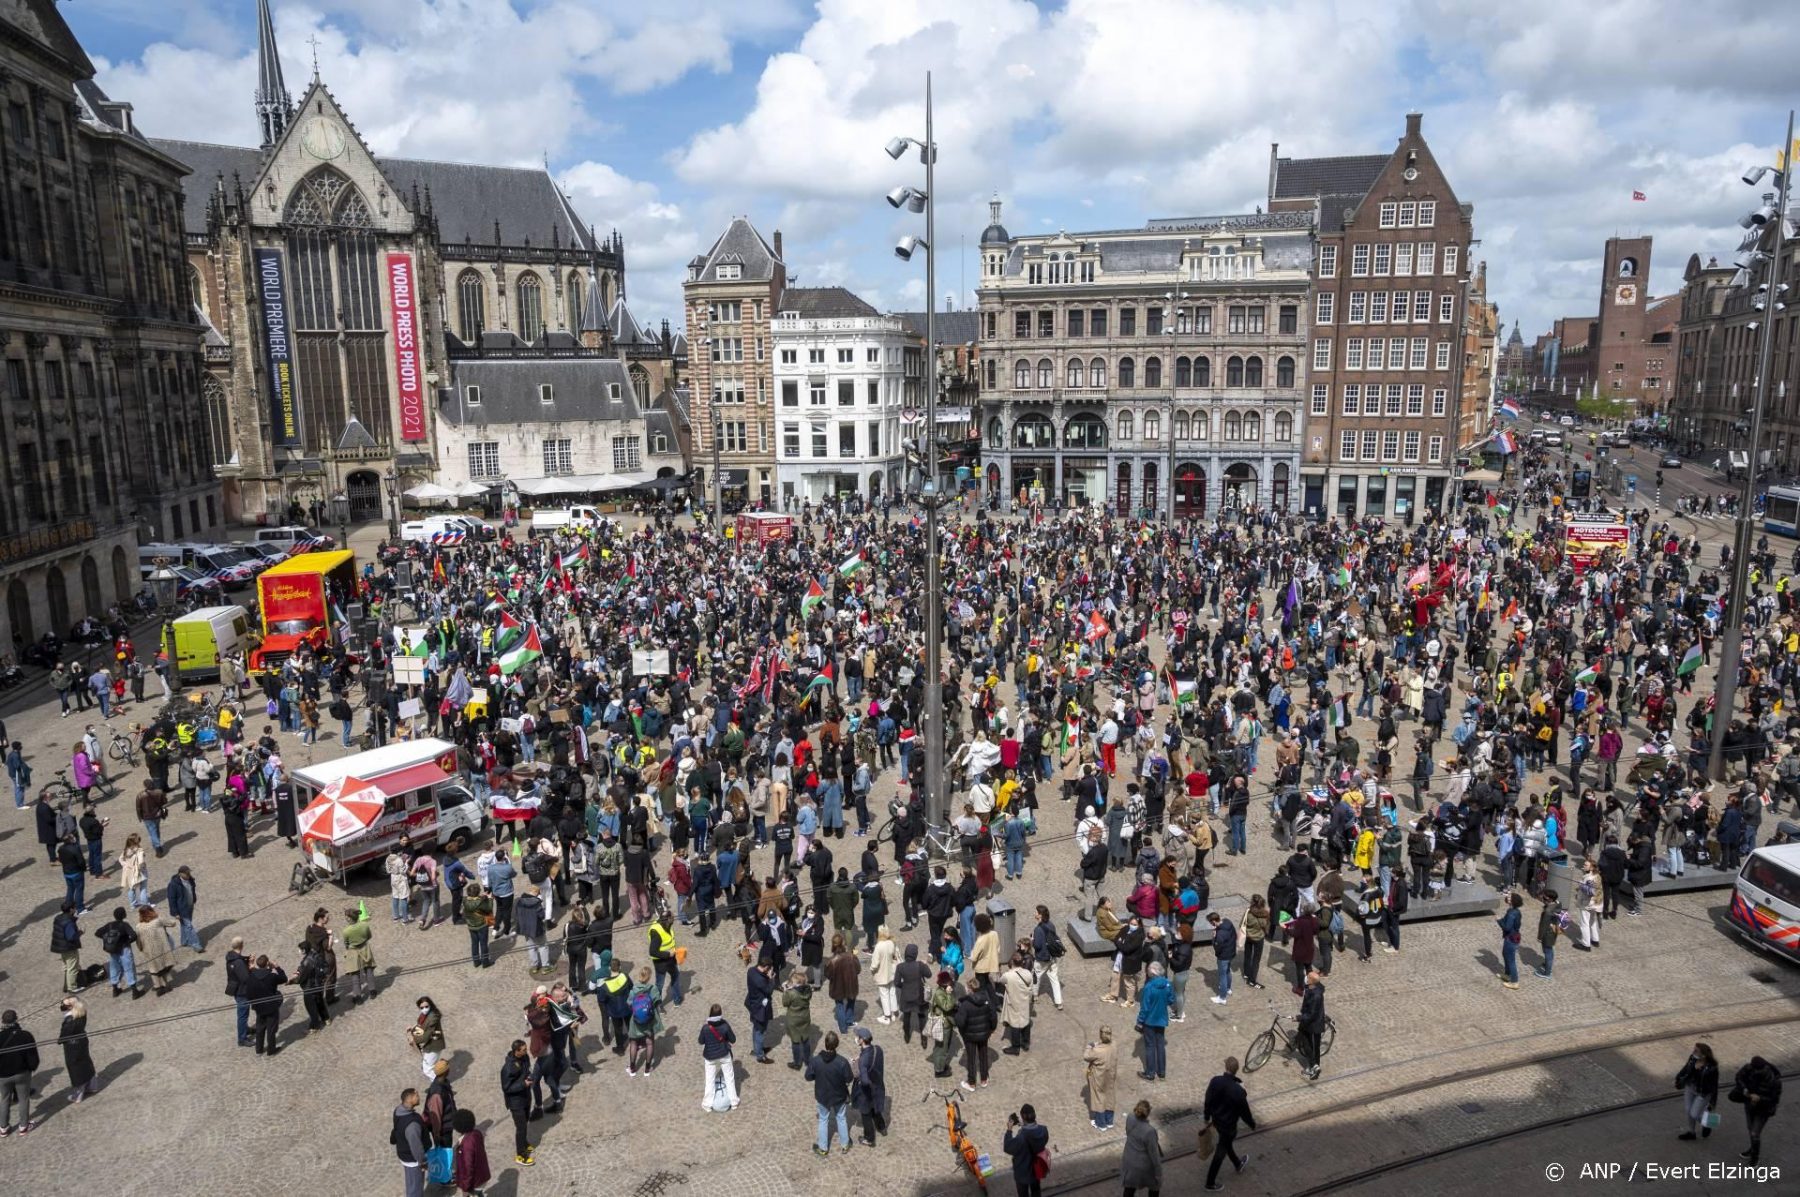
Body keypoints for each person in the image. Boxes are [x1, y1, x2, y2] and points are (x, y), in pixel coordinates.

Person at [1202, 1056, 1256, 1190]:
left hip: (1217, 1121)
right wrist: (1251, 1124)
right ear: (1236, 1070)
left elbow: (1208, 1100)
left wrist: (1207, 1117)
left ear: (1226, 1067)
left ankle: (1238, 1164)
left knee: (1226, 1144)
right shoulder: (1238, 1090)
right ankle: (1210, 1183)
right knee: (1221, 1152)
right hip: (1229, 1126)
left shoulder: (1215, 1081)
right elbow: (1244, 1111)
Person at [805, 1030, 855, 1156]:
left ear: (825, 1043)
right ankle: (845, 1144)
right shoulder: (842, 1062)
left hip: (822, 1096)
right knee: (841, 1118)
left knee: (823, 1120)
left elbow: (808, 1077)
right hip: (839, 1095)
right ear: (837, 1044)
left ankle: (823, 1148)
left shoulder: (816, 1061)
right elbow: (849, 1078)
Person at [1733, 1054, 1782, 1166]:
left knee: (1755, 1133)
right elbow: (1739, 1077)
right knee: (1750, 1128)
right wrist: (1744, 1089)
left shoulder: (1774, 1080)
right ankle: (1752, 1149)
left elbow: (1774, 1100)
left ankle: (1755, 1158)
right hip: (1750, 1104)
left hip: (1763, 1110)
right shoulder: (1749, 1068)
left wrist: (1759, 1098)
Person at [954, 976, 997, 1091]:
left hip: (970, 1036)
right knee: (983, 1055)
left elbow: (960, 1022)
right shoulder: (986, 1000)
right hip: (984, 1034)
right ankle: (984, 1079)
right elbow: (993, 1015)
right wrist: (992, 1028)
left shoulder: (965, 1004)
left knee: (971, 1058)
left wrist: (957, 1013)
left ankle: (972, 1083)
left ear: (970, 989)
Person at [696, 1002, 740, 1111]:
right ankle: (734, 1102)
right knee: (729, 1078)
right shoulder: (725, 1026)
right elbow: (733, 1039)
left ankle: (707, 1105)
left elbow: (700, 1041)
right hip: (724, 1054)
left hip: (710, 1057)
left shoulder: (705, 1028)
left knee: (709, 1080)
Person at [499, 1039, 536, 1167]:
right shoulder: (508, 1068)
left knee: (525, 1122)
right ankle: (521, 1155)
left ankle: (524, 1143)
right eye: (524, 1050)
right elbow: (506, 1088)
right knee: (521, 1128)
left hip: (525, 1097)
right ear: (516, 1051)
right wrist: (523, 1084)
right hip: (516, 1103)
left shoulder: (525, 1058)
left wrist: (529, 1076)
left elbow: (527, 1070)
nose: (526, 1051)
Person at [244, 953, 289, 1055]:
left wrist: (254, 1003)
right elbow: (284, 978)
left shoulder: (252, 976)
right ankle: (271, 1050)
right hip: (271, 1007)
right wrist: (277, 967)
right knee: (271, 1029)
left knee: (260, 1028)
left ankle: (259, 1049)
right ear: (267, 964)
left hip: (259, 1007)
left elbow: (249, 992)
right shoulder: (271, 976)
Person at [1003, 1103, 1050, 1197]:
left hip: (1022, 1173)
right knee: (1036, 1191)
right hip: (1037, 1169)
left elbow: (1007, 1147)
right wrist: (1024, 1125)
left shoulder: (1021, 1138)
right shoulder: (1044, 1130)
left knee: (1023, 1194)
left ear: (1022, 1117)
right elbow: (1042, 1141)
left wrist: (1009, 1130)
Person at [852, 1025, 888, 1146]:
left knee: (866, 1114)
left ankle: (869, 1138)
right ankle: (882, 1127)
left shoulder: (863, 1061)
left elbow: (865, 1080)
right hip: (878, 1086)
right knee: (876, 1109)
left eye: (858, 1037)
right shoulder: (878, 1049)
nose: (856, 1038)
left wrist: (860, 1077)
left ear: (862, 1040)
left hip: (867, 1092)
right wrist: (861, 1056)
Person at [1676, 1042, 1720, 1140]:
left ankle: (1709, 1123)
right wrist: (1678, 1077)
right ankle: (1691, 1132)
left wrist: (1713, 1102)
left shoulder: (1712, 1068)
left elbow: (1714, 1085)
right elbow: (1686, 1068)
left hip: (1703, 1093)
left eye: (1696, 1051)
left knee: (1694, 1114)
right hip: (1690, 1087)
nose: (1693, 1052)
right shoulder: (1693, 1058)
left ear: (1703, 1055)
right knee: (1688, 1110)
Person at [1137, 962, 1172, 1080]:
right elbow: (1171, 1000)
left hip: (1149, 1021)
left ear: (1152, 973)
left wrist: (1139, 1021)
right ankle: (1162, 1072)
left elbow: (1145, 1007)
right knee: (1160, 1045)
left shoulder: (1149, 987)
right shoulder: (1167, 983)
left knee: (1150, 1046)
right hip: (1161, 1019)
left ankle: (1150, 1073)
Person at [1121, 1099, 1163, 1197]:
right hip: (1142, 1166)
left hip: (1129, 1159)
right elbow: (1154, 1154)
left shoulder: (1130, 1117)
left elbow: (1128, 1132)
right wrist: (1158, 1172)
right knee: (1155, 1186)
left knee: (1129, 1187)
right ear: (1148, 1113)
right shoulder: (1150, 1131)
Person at [60, 995, 97, 1103]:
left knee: (75, 1067)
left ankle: (78, 1094)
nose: (62, 1006)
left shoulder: (70, 1019)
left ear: (70, 1006)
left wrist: (60, 1040)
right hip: (82, 1040)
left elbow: (65, 1034)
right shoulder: (81, 1012)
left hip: (72, 1045)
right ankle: (92, 1085)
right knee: (85, 1061)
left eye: (64, 1004)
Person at [392, 1087, 428, 1197]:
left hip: (404, 1153)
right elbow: (416, 1146)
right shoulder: (412, 1125)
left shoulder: (398, 1110)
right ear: (410, 1098)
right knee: (415, 1188)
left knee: (412, 1184)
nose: (419, 1097)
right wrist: (423, 1162)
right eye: (416, 1096)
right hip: (413, 1160)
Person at [1083, 1024, 1120, 1130]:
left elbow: (1086, 1056)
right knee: (1110, 1096)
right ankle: (1109, 1121)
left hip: (1099, 1076)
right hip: (1111, 1075)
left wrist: (1089, 1046)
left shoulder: (1097, 1050)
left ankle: (1101, 1123)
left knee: (1099, 1097)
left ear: (1100, 1035)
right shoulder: (1114, 1045)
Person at [1031, 904, 1066, 1010]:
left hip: (1042, 958)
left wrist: (1032, 940)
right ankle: (1059, 1002)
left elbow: (1037, 945)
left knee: (1036, 976)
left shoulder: (1038, 929)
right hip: (1052, 957)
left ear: (1040, 915)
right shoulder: (1051, 925)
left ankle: (1034, 995)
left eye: (1036, 912)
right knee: (1054, 979)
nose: (1034, 913)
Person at [451, 1108, 492, 1196]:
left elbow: (468, 1167)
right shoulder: (477, 1133)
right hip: (482, 1175)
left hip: (474, 1181)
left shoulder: (466, 1144)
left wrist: (465, 1187)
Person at [1297, 969, 1326, 1080]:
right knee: (1308, 1043)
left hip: (1314, 1024)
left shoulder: (1316, 995)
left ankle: (1315, 1068)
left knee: (1312, 1046)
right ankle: (1313, 1065)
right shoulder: (1311, 987)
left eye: (1308, 976)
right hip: (1309, 1022)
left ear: (1311, 981)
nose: (1306, 977)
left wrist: (1300, 1018)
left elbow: (1312, 1014)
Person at [342, 906, 375, 1001]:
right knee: (368, 969)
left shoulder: (346, 931)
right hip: (365, 949)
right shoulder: (365, 925)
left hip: (353, 952)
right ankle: (372, 990)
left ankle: (358, 996)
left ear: (349, 918)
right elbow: (369, 936)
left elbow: (346, 943)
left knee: (355, 974)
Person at [412, 996, 446, 1080]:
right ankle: (436, 1084)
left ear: (430, 1005)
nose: (424, 1009)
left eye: (426, 1006)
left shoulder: (433, 1018)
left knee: (427, 1069)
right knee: (430, 1066)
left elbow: (426, 1035)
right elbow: (421, 1027)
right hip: (430, 1045)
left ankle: (439, 1084)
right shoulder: (423, 1016)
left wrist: (414, 1039)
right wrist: (413, 1029)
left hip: (434, 1045)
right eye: (422, 1007)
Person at [1209, 910, 1237, 1004]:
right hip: (1231, 953)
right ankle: (1228, 988)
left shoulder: (1220, 934)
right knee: (1228, 971)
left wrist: (1214, 937)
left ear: (1213, 922)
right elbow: (1234, 935)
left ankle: (1222, 997)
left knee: (1222, 976)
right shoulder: (1227, 922)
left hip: (1223, 956)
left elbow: (1217, 947)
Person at [1497, 892, 1524, 989]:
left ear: (1512, 901)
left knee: (1511, 960)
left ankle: (1514, 982)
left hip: (1510, 938)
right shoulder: (1514, 911)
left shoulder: (1512, 913)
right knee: (1505, 954)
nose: (1507, 897)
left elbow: (1507, 927)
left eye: (1509, 897)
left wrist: (1499, 920)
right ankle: (1507, 975)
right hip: (1512, 937)